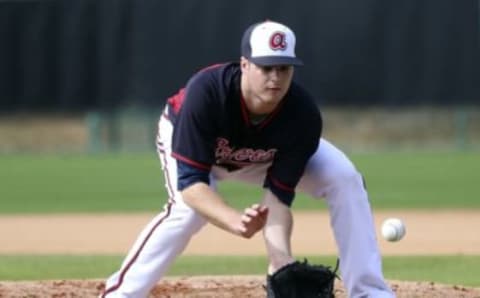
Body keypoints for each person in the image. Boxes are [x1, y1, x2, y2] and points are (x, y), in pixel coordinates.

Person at [101, 20, 395, 298]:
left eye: (283, 68)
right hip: (193, 146)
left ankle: (370, 291)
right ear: (244, 65)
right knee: (187, 211)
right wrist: (236, 221)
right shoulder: (207, 93)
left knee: (344, 177)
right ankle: (121, 293)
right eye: (266, 67)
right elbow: (192, 186)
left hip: (262, 156)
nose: (275, 77)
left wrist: (279, 259)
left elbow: (277, 199)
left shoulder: (302, 115)